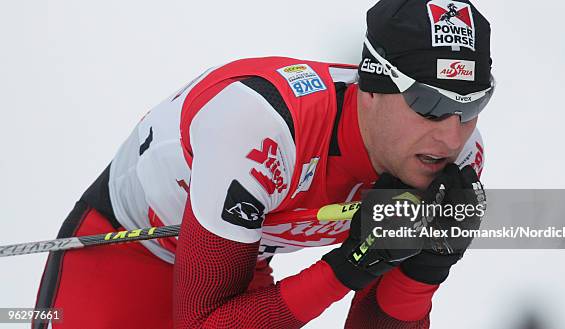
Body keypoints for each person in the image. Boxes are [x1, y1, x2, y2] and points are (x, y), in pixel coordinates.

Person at [32, 0, 493, 328]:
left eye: (472, 106)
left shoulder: (454, 161)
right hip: (124, 258)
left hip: (238, 273)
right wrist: (350, 264)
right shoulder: (262, 125)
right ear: (371, 86)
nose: (451, 135)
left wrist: (427, 269)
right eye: (429, 104)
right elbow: (202, 324)